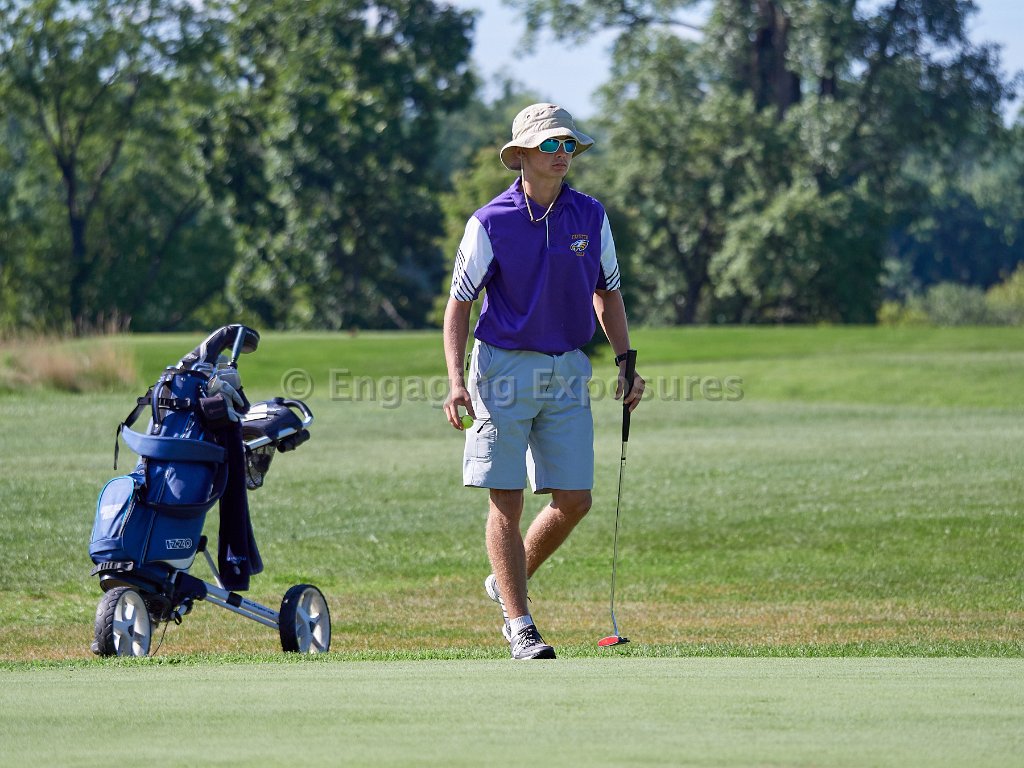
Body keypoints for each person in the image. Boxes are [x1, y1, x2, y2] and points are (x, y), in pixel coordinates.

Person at [443, 103, 644, 660]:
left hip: (568, 367)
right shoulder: (491, 221)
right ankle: (520, 623)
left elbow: (607, 292)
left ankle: (506, 580)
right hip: (502, 370)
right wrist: (456, 381)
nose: (563, 154)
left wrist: (625, 362)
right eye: (551, 145)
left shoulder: (591, 215)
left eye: (568, 145)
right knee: (505, 499)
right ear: (522, 155)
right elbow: (459, 305)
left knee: (575, 499)